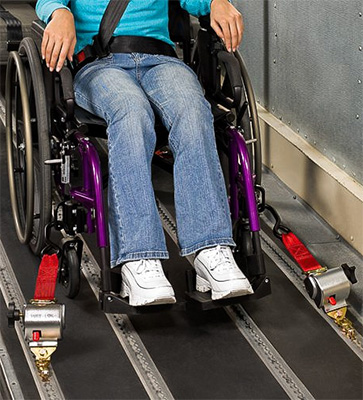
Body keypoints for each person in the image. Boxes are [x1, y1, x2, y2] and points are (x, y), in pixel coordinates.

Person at [36, 0, 254, 306]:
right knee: (131, 110)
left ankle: (211, 249)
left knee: (193, 109)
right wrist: (60, 12)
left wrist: (217, 2)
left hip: (162, 60)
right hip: (99, 62)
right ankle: (139, 258)